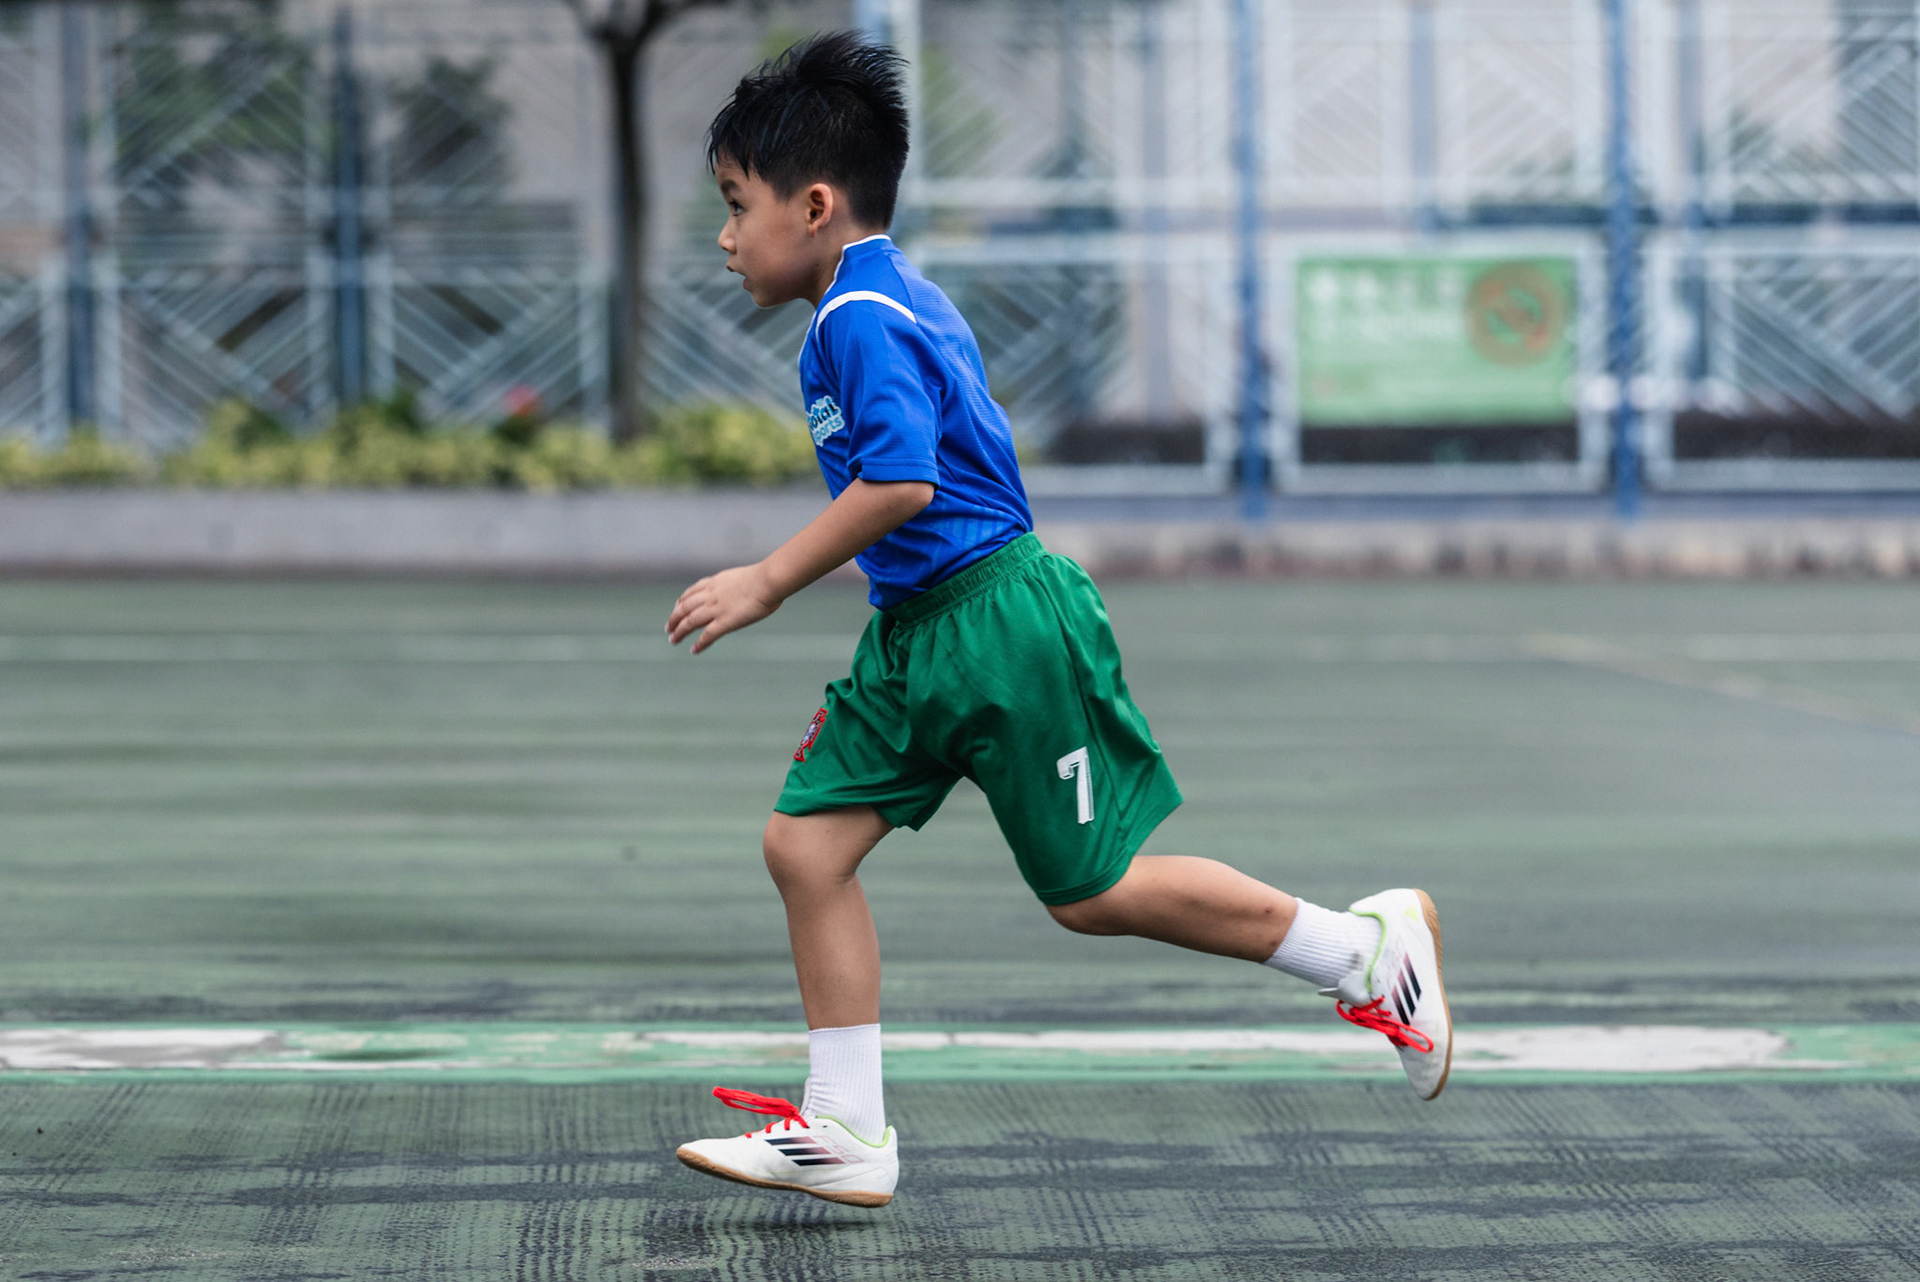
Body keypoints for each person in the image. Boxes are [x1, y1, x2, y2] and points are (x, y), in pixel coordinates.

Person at [667, 32, 1450, 1209]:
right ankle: (847, 1127)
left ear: (816, 205)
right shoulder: (876, 294)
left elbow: (902, 484)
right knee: (805, 846)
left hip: (1003, 631)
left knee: (1094, 892)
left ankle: (1365, 955)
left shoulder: (858, 320)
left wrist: (767, 579)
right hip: (916, 632)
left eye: (737, 206)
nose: (726, 237)